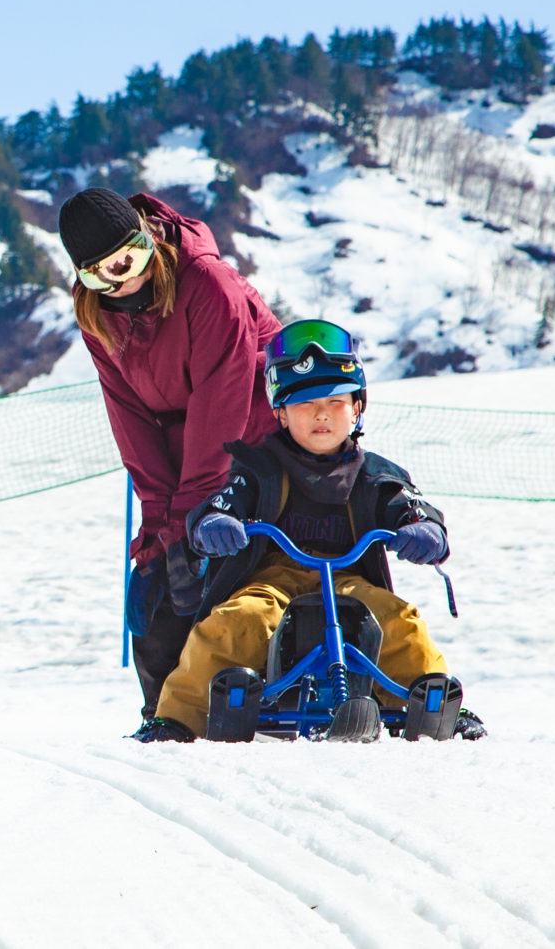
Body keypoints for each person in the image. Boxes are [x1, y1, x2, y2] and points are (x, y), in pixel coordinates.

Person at [139, 319, 483, 741]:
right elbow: (222, 502)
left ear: (357, 407)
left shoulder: (374, 474)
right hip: (273, 580)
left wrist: (423, 528)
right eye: (304, 403)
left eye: (335, 401)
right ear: (281, 413)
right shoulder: (259, 468)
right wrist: (215, 524)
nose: (321, 413)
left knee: (398, 621)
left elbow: (408, 505)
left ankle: (436, 704)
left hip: (348, 581)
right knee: (238, 621)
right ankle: (176, 718)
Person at [54, 187, 281, 740]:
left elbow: (222, 403)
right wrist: (159, 521)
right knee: (157, 575)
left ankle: (258, 698)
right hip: (185, 456)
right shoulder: (96, 315)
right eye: (101, 273)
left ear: (149, 240)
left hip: (256, 444)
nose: (120, 281)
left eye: (129, 260)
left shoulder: (207, 284)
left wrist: (190, 517)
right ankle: (167, 714)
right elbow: (127, 412)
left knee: (222, 566)